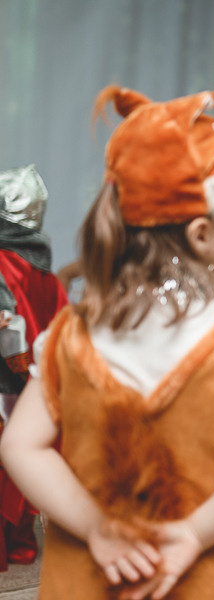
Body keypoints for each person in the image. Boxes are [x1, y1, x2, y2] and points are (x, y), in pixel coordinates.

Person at [0, 86, 214, 599]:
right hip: (212, 577)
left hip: (94, 578)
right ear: (203, 235)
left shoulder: (69, 335)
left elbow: (21, 446)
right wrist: (193, 533)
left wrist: (95, 527)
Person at [0, 165, 69, 570]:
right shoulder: (45, 271)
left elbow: (10, 333)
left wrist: (22, 365)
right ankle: (22, 544)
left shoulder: (4, 265)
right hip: (33, 388)